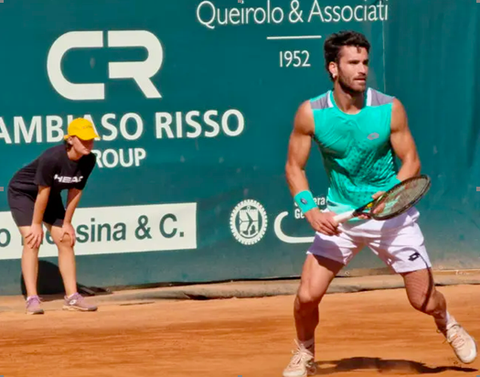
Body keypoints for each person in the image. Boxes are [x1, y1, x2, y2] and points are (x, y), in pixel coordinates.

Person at [282, 30, 477, 376]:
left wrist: (392, 192)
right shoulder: (311, 113)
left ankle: (446, 323)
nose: (362, 69)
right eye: (353, 62)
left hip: (391, 215)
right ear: (332, 68)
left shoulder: (389, 108)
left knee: (423, 300)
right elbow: (293, 168)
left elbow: (412, 163)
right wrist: (311, 209)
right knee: (307, 296)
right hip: (343, 218)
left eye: (365, 62)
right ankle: (305, 353)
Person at [7, 118, 99, 315]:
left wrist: (67, 222)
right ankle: (32, 299)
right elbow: (42, 193)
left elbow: (76, 191)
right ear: (71, 139)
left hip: (49, 196)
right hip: (24, 193)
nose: (88, 143)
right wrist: (36, 224)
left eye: (91, 139)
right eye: (84, 139)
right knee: (32, 240)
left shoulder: (89, 159)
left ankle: (72, 297)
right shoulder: (52, 158)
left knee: (66, 239)